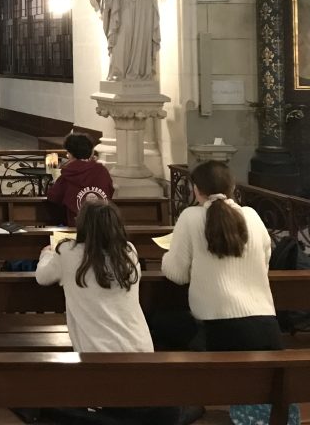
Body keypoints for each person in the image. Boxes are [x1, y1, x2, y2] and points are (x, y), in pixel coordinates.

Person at [162, 161, 297, 425]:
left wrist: (169, 256)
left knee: (163, 328)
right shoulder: (252, 216)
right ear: (232, 187)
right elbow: (264, 261)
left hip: (218, 331)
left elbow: (177, 274)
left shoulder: (190, 217)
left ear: (195, 190)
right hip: (266, 325)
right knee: (269, 394)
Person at [36, 201, 179, 425]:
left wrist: (46, 254)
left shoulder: (67, 253)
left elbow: (42, 277)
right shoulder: (129, 251)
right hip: (140, 350)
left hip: (97, 355)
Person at [46, 133, 115, 225]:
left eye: (68, 153)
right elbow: (110, 191)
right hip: (102, 224)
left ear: (70, 154)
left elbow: (53, 197)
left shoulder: (68, 173)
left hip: (77, 226)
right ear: (90, 152)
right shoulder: (102, 171)